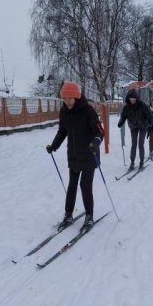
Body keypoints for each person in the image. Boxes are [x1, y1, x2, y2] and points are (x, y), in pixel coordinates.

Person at [46, 81, 104, 232]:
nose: (67, 101)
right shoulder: (64, 112)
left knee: (85, 186)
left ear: (76, 97)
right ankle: (68, 214)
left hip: (90, 155)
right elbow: (62, 131)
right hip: (73, 156)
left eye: (70, 98)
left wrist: (95, 143)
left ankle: (89, 216)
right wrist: (54, 145)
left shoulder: (88, 111)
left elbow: (99, 131)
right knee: (72, 186)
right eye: (64, 98)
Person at [118, 89, 153, 170]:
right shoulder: (126, 107)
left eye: (134, 99)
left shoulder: (143, 106)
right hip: (133, 126)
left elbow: (150, 115)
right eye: (131, 99)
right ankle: (132, 162)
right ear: (128, 99)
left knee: (140, 144)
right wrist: (121, 122)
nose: (132, 101)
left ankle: (141, 162)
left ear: (137, 99)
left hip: (143, 126)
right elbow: (123, 116)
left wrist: (151, 123)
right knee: (133, 144)